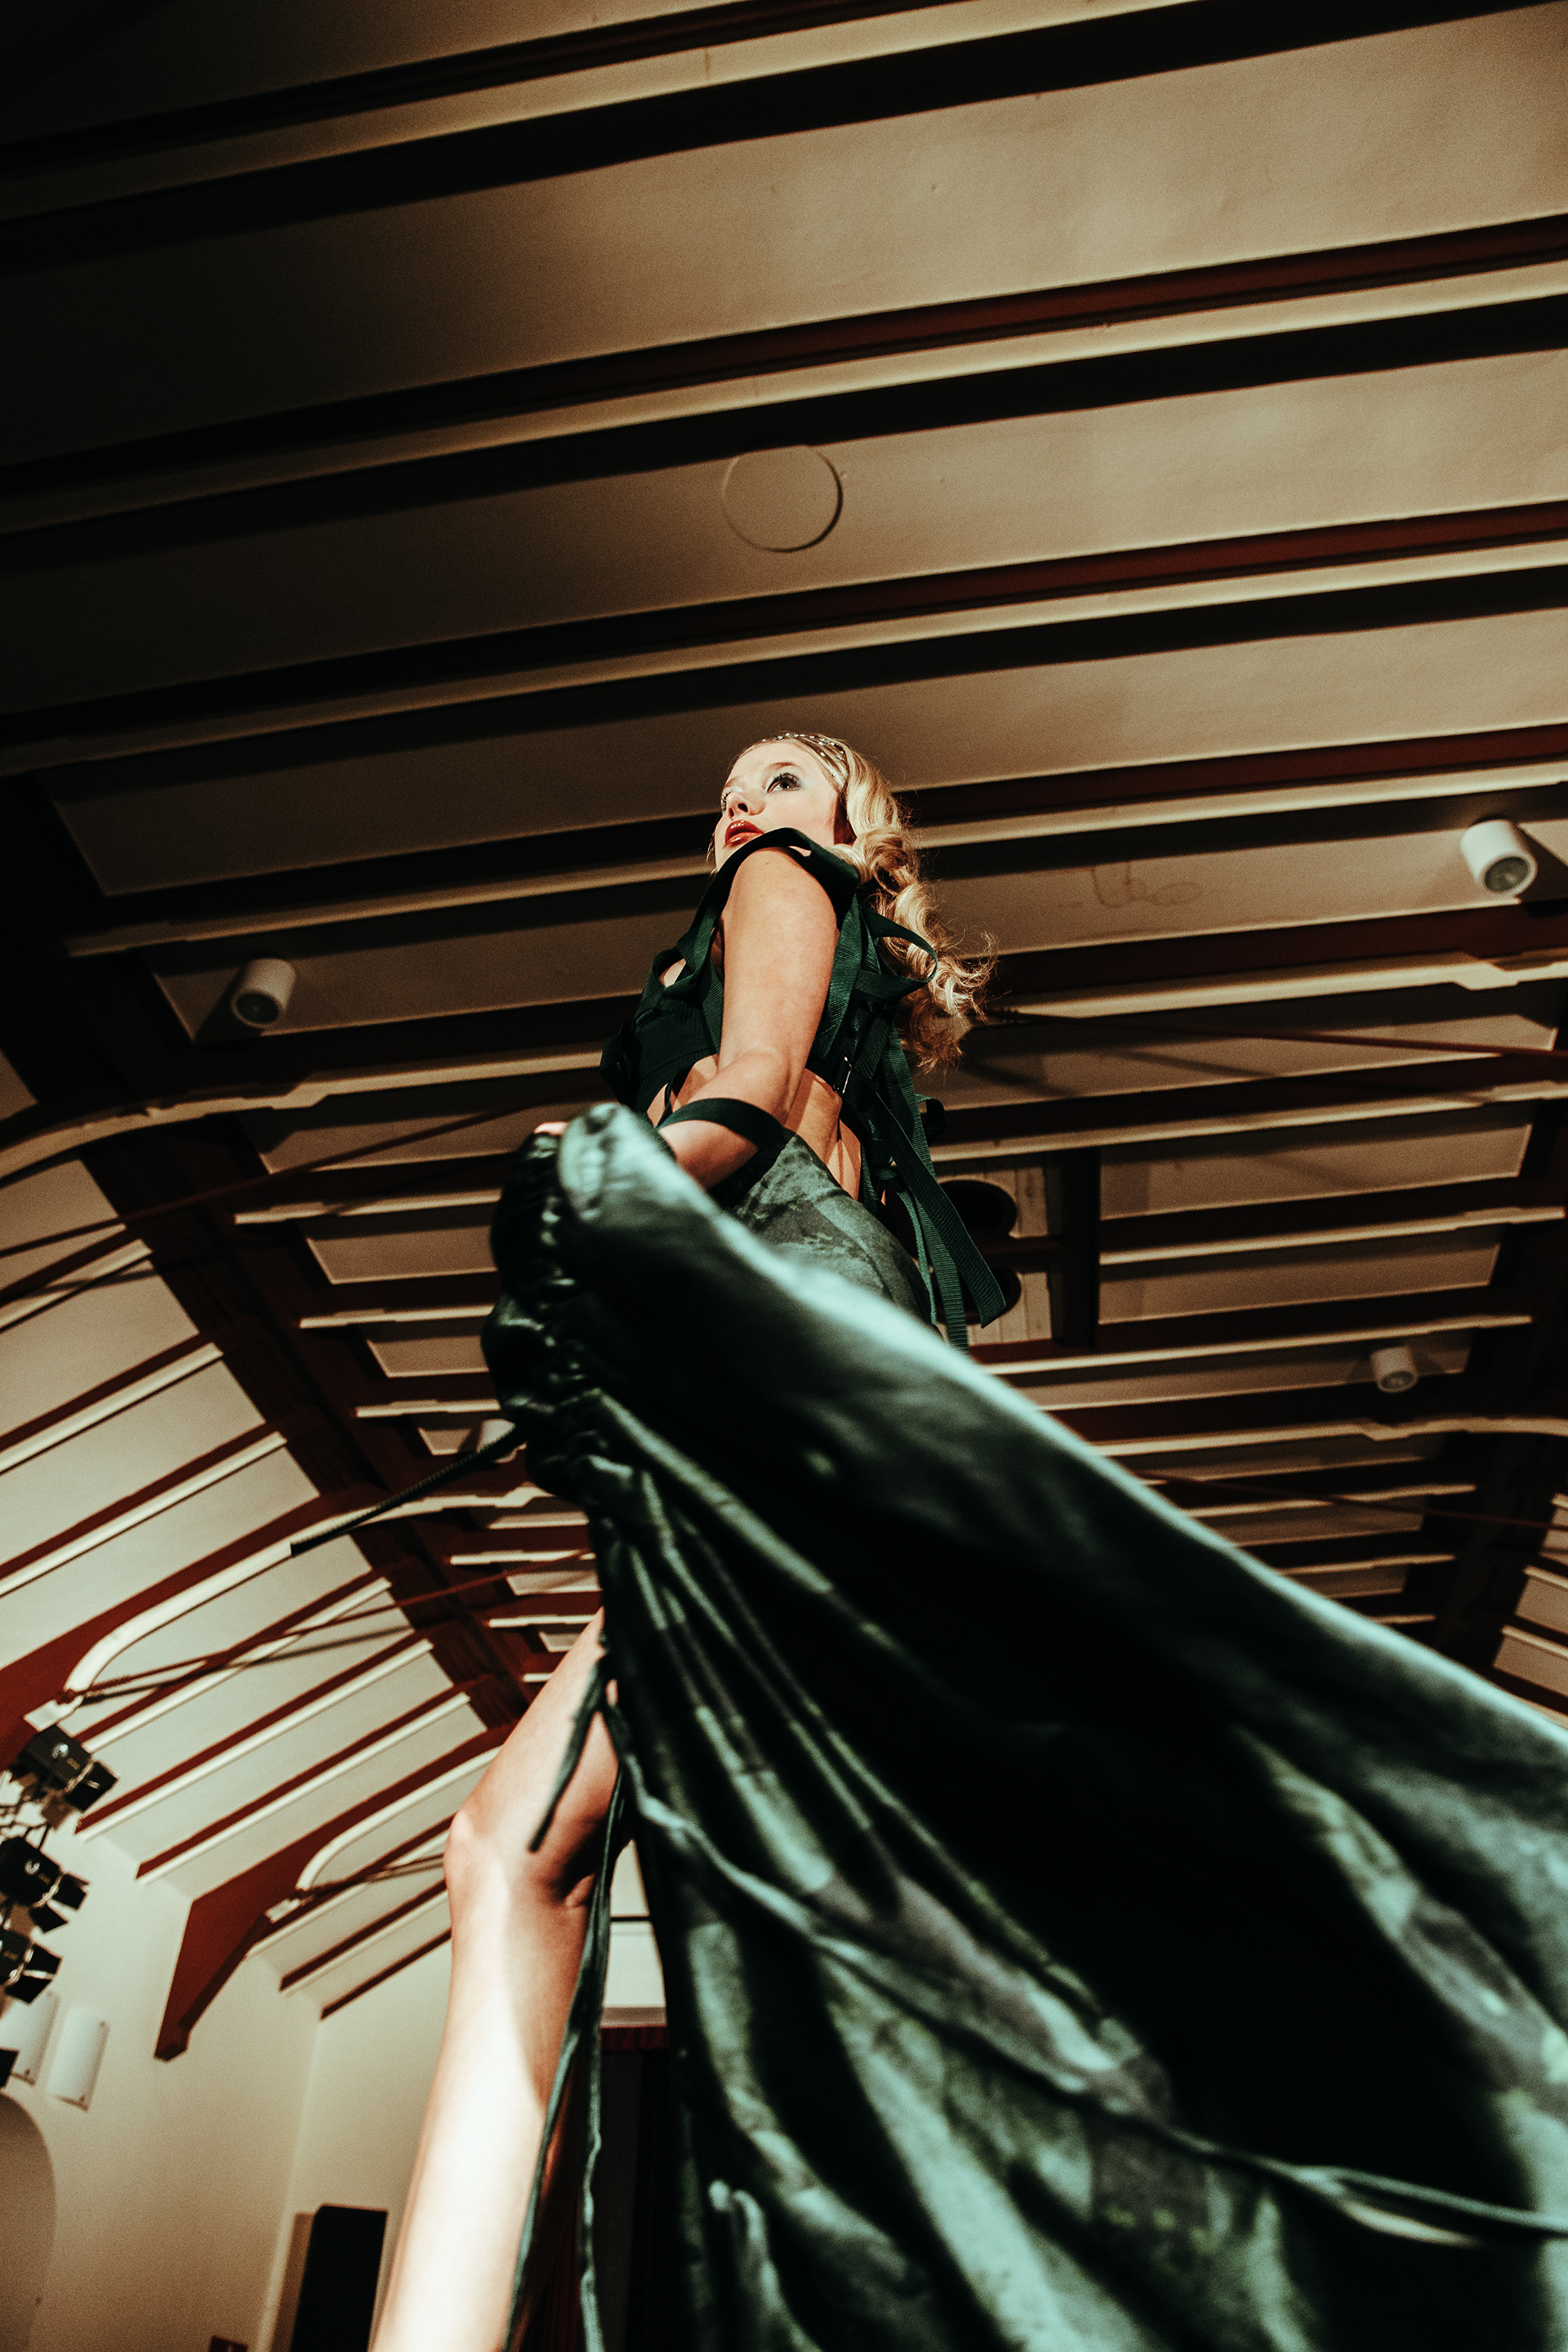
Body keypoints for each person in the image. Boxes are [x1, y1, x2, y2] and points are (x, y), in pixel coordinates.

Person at [376, 735, 1568, 2352]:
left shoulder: (778, 886)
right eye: (731, 789)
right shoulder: (867, 1078)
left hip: (788, 1422)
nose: (743, 806)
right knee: (562, 1866)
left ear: (854, 834)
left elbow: (739, 1097)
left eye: (784, 781)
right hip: (801, 1421)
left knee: (519, 1860)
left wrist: (580, 1200)